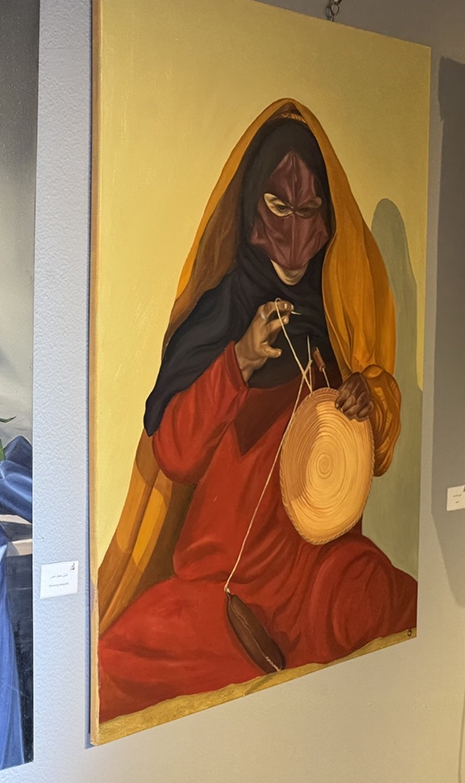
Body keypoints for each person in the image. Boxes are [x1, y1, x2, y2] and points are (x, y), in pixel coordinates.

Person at [96, 100, 416, 723]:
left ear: (327, 215)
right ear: (250, 210)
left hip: (321, 575)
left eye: (309, 210)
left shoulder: (335, 318)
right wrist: (237, 361)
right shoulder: (220, 312)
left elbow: (375, 443)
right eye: (278, 207)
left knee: (394, 603)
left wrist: (366, 401)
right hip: (220, 587)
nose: (294, 234)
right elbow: (174, 454)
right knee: (114, 667)